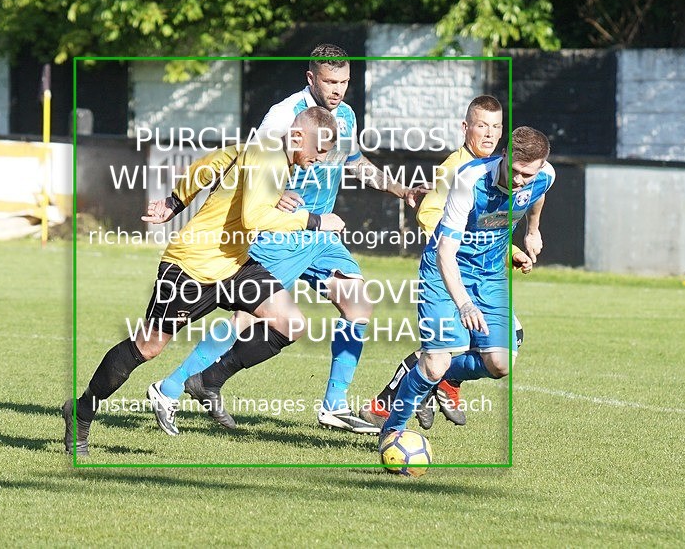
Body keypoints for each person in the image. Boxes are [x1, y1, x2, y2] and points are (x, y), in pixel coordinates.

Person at [146, 43, 425, 436]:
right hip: (282, 232)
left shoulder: (345, 116)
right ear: (311, 78)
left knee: (358, 304)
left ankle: (334, 406)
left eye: (344, 82)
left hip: (321, 234)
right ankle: (171, 387)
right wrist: (274, 194)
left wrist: (401, 190)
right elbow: (250, 161)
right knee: (245, 318)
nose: (338, 90)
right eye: (329, 81)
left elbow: (354, 162)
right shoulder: (284, 114)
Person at [63, 107, 344, 455]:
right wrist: (315, 221)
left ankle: (207, 381)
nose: (321, 158)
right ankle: (82, 411)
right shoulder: (268, 157)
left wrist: (175, 201)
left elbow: (208, 165)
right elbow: (254, 217)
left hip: (233, 265)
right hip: (190, 266)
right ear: (299, 136)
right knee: (148, 347)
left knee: (291, 323)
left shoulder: (264, 149)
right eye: (320, 149)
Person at [360, 96, 544, 430]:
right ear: (465, 128)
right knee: (439, 355)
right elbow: (430, 214)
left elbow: (497, 221)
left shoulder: (515, 172)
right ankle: (387, 408)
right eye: (481, 126)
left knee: (498, 348)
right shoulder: (457, 170)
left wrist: (516, 247)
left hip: (484, 275)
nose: (489, 134)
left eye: (496, 127)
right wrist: (454, 250)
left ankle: (431, 387)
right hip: (450, 270)